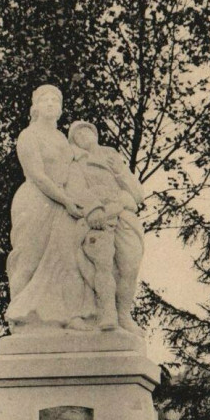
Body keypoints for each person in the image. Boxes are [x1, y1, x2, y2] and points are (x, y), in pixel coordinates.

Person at [5, 86, 100, 331]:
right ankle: (18, 319)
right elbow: (37, 175)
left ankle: (69, 314)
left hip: (64, 203)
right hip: (37, 201)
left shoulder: (61, 138)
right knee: (29, 259)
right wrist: (66, 200)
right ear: (35, 107)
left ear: (60, 109)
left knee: (67, 260)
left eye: (55, 100)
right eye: (44, 100)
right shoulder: (29, 135)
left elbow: (76, 167)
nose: (50, 103)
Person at [68, 120, 145, 334]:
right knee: (103, 265)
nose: (84, 136)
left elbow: (138, 194)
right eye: (78, 135)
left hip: (124, 217)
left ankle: (124, 313)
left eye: (88, 131)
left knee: (129, 266)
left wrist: (119, 172)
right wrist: (94, 209)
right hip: (98, 220)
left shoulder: (113, 158)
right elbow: (76, 190)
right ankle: (108, 313)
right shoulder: (76, 163)